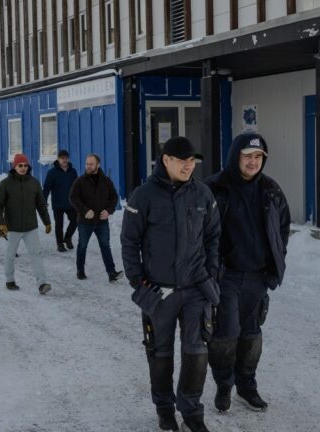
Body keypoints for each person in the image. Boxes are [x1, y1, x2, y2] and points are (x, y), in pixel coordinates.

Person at [121, 136, 221, 432]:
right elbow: (129, 241)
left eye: (192, 161)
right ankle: (164, 409)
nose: (189, 166)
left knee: (197, 352)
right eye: (182, 161)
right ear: (166, 160)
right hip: (158, 292)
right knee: (159, 353)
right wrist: (138, 282)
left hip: (196, 289)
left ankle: (191, 411)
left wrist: (211, 274)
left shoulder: (203, 194)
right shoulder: (143, 196)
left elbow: (213, 237)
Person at [204, 133, 290, 414]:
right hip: (225, 276)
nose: (253, 162)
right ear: (235, 156)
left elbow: (282, 228)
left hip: (257, 276)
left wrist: (275, 260)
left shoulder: (271, 190)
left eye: (258, 157)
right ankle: (224, 385)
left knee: (252, 335)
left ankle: (246, 385)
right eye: (247, 156)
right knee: (226, 334)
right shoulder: (214, 188)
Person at [0, 153, 52, 295]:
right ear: (15, 167)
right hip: (12, 228)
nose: (23, 168)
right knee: (10, 255)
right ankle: (10, 280)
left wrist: (47, 221)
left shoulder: (34, 183)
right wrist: (0, 223)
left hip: (30, 227)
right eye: (20, 165)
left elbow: (41, 205)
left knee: (36, 254)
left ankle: (42, 283)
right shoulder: (6, 184)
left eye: (25, 165)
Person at [69, 154, 123, 282]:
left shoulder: (106, 181)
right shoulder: (80, 181)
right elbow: (73, 198)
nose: (88, 166)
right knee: (82, 246)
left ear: (98, 165)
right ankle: (80, 271)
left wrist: (108, 210)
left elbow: (114, 197)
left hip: (101, 221)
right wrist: (84, 210)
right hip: (85, 221)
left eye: (91, 164)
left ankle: (111, 273)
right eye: (87, 163)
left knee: (105, 246)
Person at [43, 150, 78, 252]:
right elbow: (46, 188)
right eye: (62, 158)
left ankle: (67, 238)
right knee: (59, 225)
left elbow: (77, 187)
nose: (64, 160)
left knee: (76, 220)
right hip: (58, 203)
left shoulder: (73, 171)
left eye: (66, 158)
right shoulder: (52, 173)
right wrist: (43, 201)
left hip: (70, 203)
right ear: (58, 159)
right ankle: (60, 244)